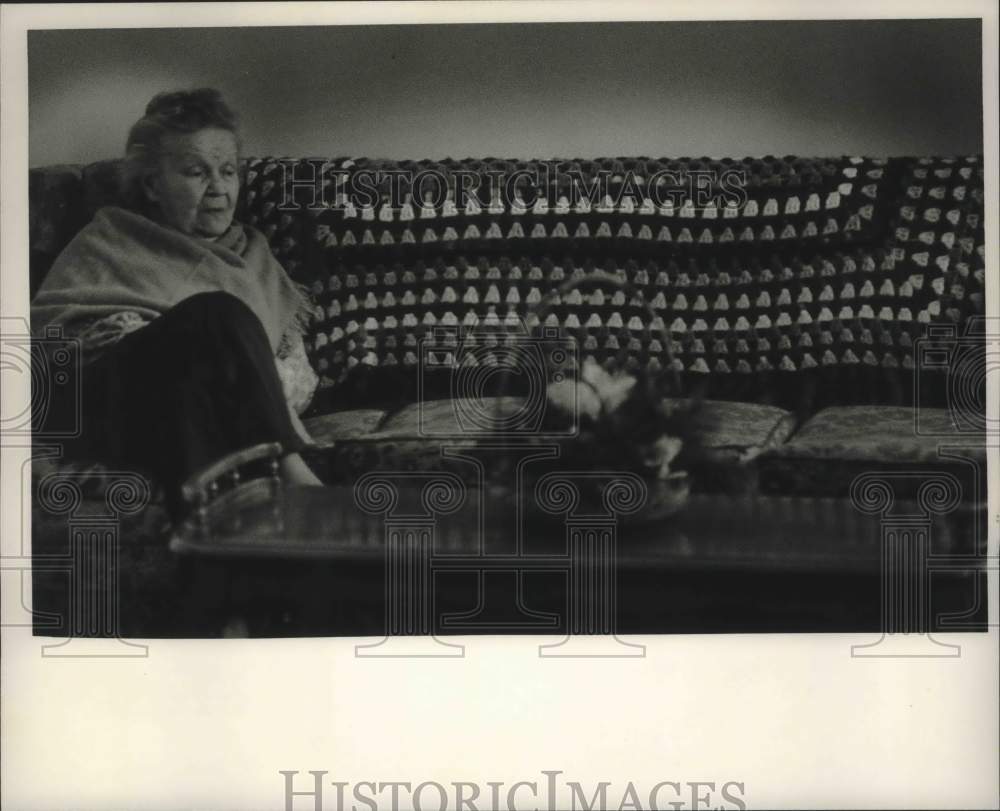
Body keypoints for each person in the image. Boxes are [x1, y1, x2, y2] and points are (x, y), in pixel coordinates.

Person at [31, 88, 323, 517]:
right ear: (152, 184)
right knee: (216, 313)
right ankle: (298, 479)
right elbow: (60, 350)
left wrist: (231, 375)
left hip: (191, 411)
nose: (219, 188)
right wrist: (207, 350)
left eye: (228, 171)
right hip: (105, 404)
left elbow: (299, 379)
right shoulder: (109, 238)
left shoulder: (254, 255)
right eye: (196, 172)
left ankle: (220, 536)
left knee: (203, 364)